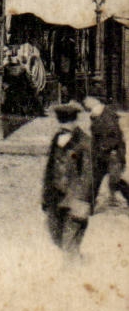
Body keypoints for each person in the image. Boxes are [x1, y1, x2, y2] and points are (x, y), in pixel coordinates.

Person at [41, 101, 94, 260]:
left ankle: (73, 273)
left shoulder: (84, 142)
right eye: (61, 121)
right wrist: (45, 196)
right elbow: (49, 170)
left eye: (67, 121)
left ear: (74, 121)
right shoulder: (57, 138)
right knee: (55, 236)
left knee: (69, 243)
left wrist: (83, 201)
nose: (64, 125)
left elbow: (88, 174)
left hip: (74, 199)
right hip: (55, 198)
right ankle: (77, 262)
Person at [83, 96, 129, 212]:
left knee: (115, 181)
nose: (85, 103)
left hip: (111, 155)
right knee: (96, 180)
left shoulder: (105, 115)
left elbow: (114, 136)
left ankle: (89, 207)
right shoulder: (98, 113)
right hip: (104, 155)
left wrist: (104, 146)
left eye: (87, 100)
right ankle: (89, 206)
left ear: (94, 101)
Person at [0, 54, 41, 136]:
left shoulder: (6, 68)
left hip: (10, 92)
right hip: (20, 92)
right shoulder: (22, 69)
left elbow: (3, 80)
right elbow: (28, 82)